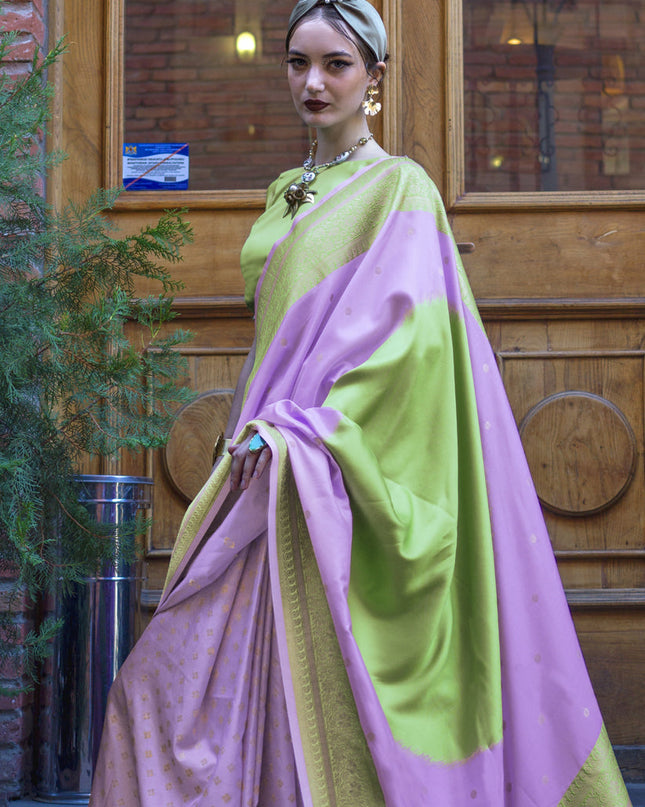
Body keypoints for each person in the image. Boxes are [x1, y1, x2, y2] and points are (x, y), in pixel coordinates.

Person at [89, 1, 632, 805]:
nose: (313, 82)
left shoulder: (399, 188)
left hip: (321, 467)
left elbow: (407, 348)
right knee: (158, 687)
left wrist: (302, 436)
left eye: (335, 64)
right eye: (297, 63)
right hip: (259, 474)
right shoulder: (284, 194)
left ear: (372, 78)